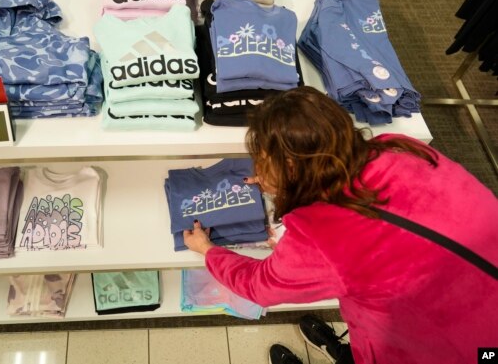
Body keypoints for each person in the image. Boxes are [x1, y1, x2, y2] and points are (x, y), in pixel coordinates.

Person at [183, 86, 498, 364]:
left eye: (265, 162)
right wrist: (286, 182)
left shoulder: (323, 237)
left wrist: (208, 250)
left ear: (290, 168)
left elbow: (259, 287)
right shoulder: (398, 146)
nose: (259, 170)